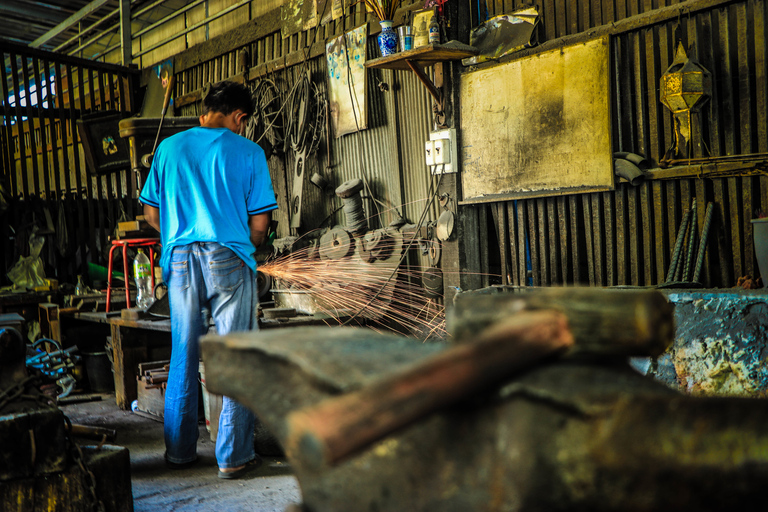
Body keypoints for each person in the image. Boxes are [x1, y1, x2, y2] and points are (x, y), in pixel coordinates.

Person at [139, 80, 277, 479]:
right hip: (227, 257)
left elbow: (151, 215)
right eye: (243, 122)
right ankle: (233, 457)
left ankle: (179, 453)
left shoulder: (168, 149)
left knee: (184, 352)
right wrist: (247, 247)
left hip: (179, 260)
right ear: (239, 116)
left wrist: (181, 231)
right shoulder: (249, 151)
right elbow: (260, 223)